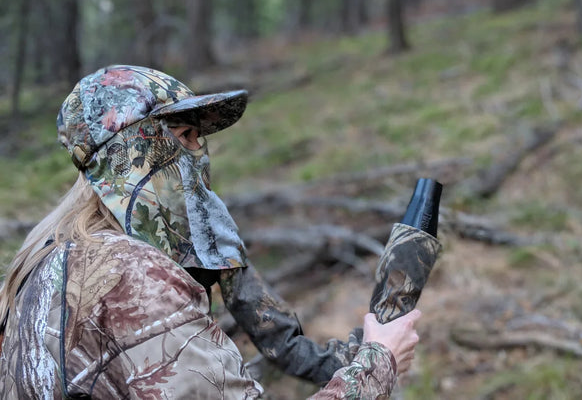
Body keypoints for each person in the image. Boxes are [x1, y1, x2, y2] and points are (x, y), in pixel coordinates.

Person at [0, 65, 423, 398]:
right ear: (133, 152)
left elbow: (286, 345)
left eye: (199, 138)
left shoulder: (41, 263)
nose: (198, 153)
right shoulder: (132, 276)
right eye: (182, 136)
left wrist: (363, 353)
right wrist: (378, 364)